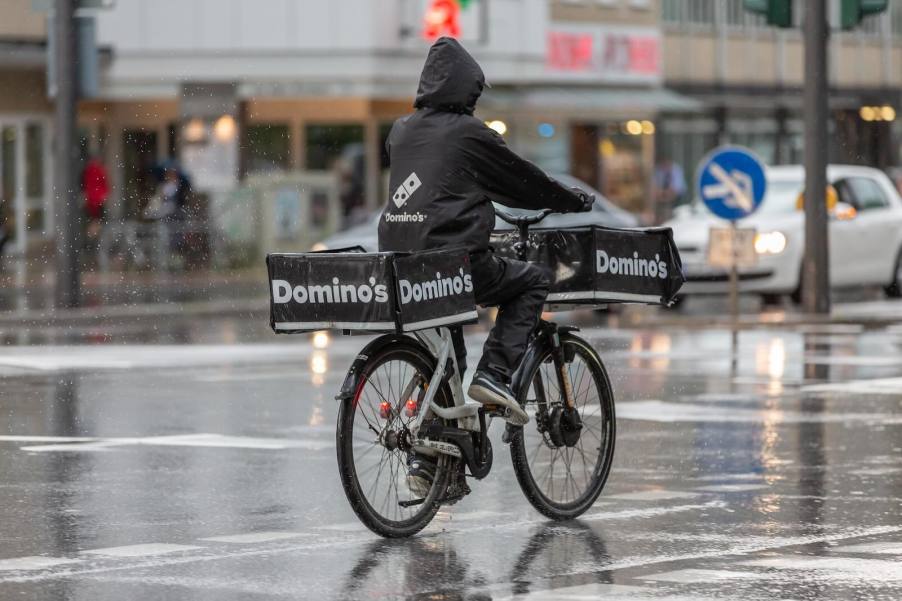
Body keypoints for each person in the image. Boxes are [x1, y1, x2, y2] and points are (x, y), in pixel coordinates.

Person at [378, 37, 592, 431]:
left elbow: (433, 184)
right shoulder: (468, 133)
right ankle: (494, 374)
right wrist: (570, 201)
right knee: (532, 281)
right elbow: (522, 180)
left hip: (403, 266)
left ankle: (431, 466)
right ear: (465, 88)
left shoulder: (401, 130)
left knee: (446, 364)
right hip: (454, 263)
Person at [81, 155, 110, 249]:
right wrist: (104, 195)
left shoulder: (88, 170)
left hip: (92, 200)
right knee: (97, 220)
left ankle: (93, 237)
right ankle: (95, 237)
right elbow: (105, 184)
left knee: (94, 220)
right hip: (96, 200)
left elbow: (83, 185)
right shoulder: (98, 170)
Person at [652, 155, 686, 224]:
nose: (664, 166)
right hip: (663, 195)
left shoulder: (676, 170)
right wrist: (659, 193)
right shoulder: (659, 170)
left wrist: (666, 194)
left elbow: (676, 188)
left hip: (678, 196)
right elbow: (655, 184)